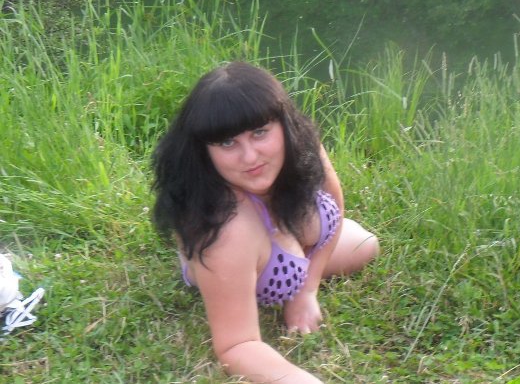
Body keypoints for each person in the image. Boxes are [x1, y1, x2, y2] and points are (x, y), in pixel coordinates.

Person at [151, 62, 379, 383]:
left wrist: (306, 291)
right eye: (227, 143)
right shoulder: (226, 227)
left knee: (365, 244)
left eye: (259, 133)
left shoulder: (302, 144)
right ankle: (219, 266)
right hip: (235, 256)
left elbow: (335, 204)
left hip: (277, 236)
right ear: (204, 150)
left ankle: (292, 249)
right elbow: (237, 345)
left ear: (283, 124)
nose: (250, 157)